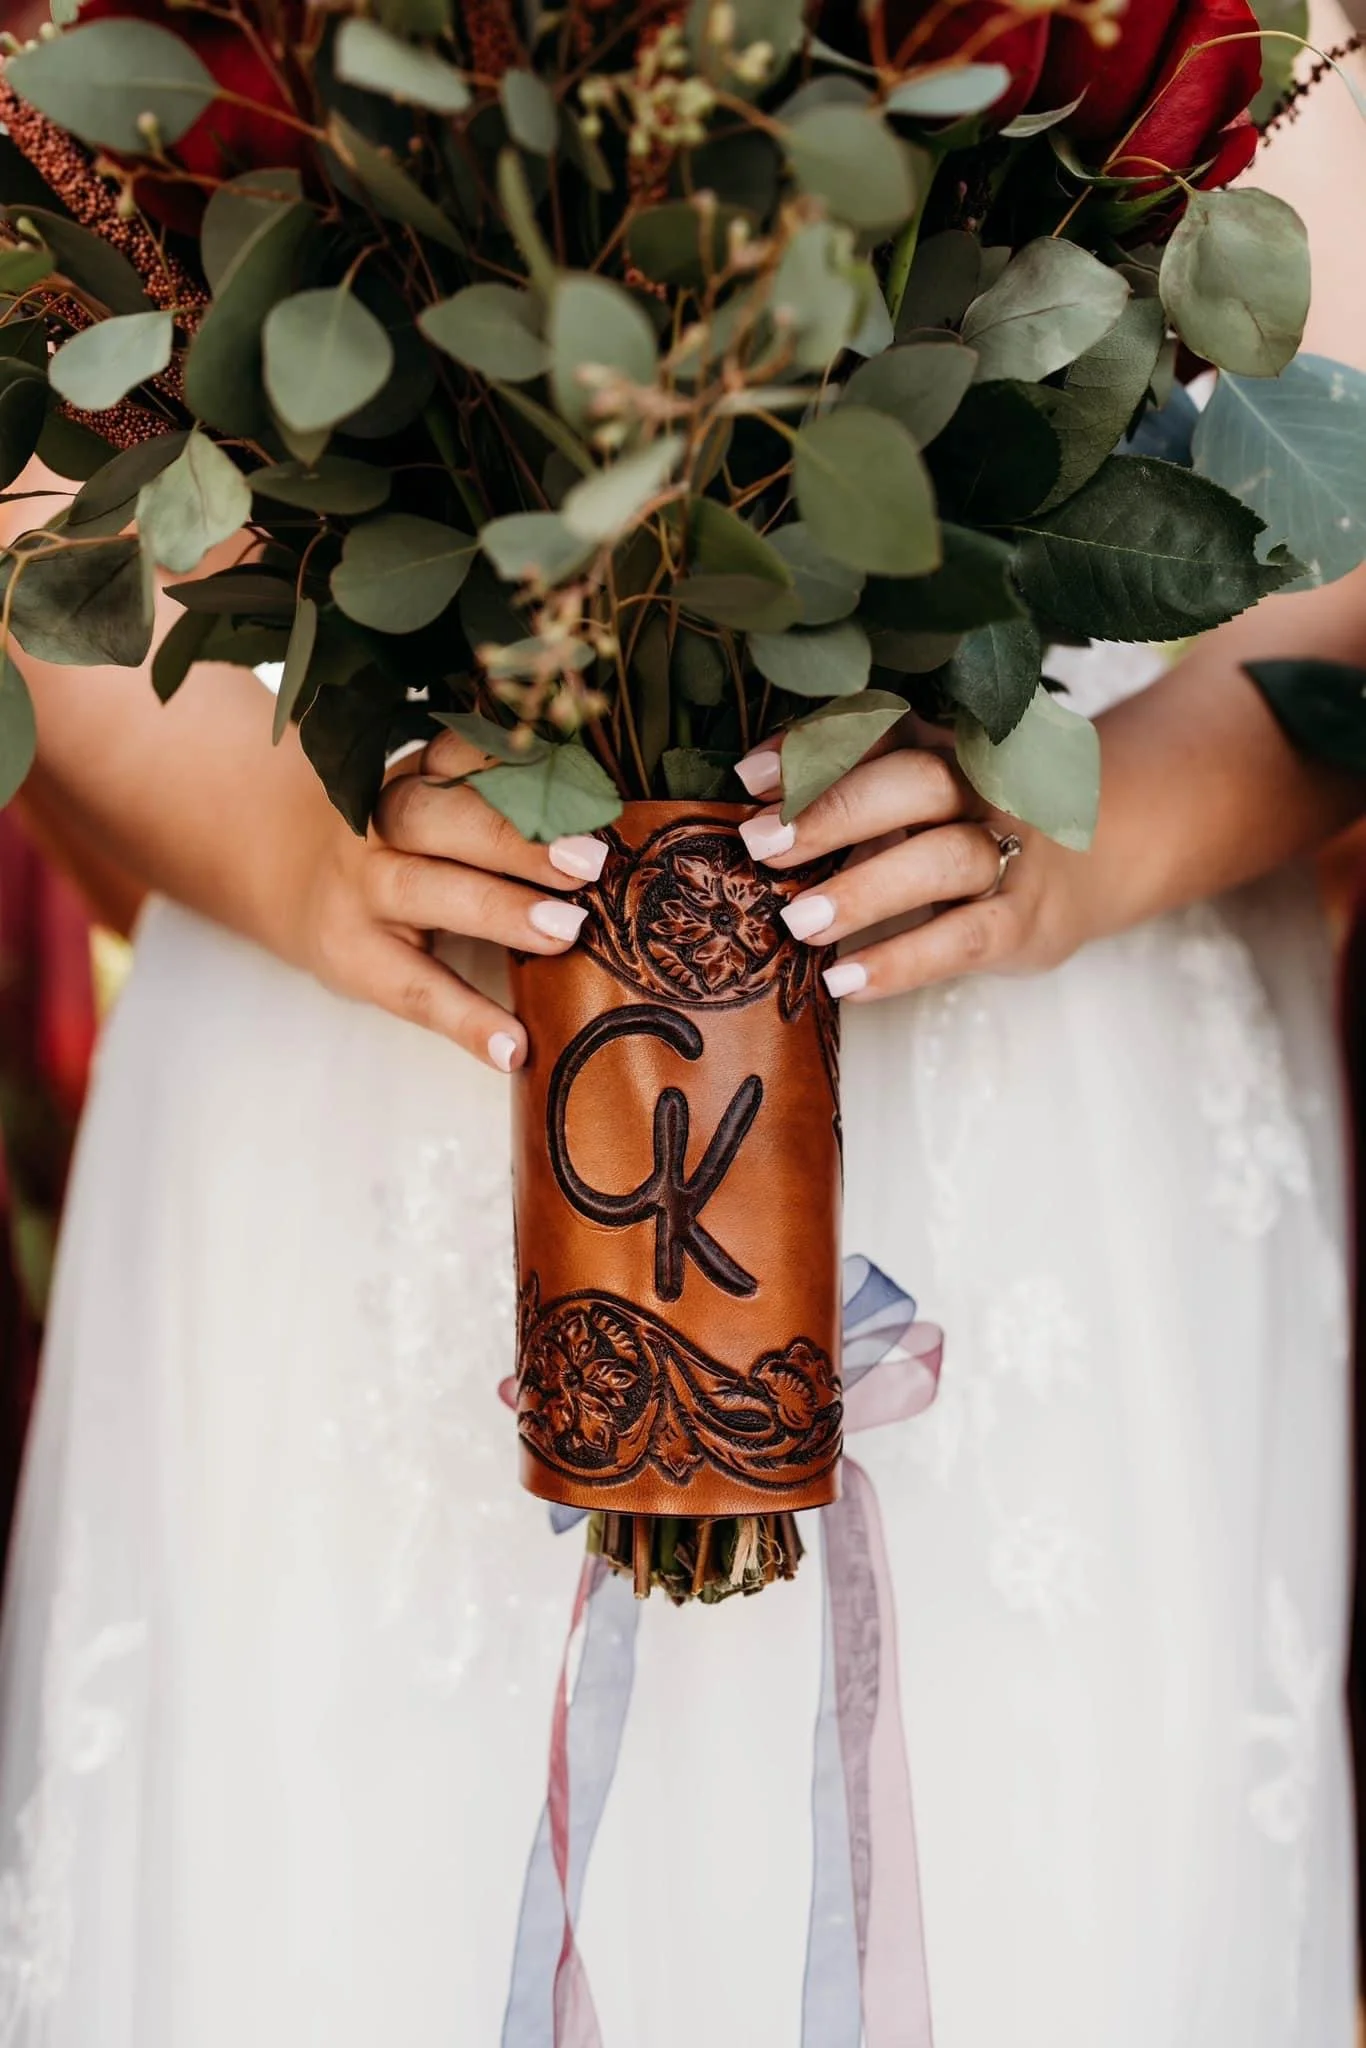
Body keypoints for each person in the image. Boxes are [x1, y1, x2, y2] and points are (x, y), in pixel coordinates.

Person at [4, 45, 1366, 2048]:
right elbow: (43, 492)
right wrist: (302, 856)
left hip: (1058, 1074)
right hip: (374, 1065)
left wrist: (1078, 848)